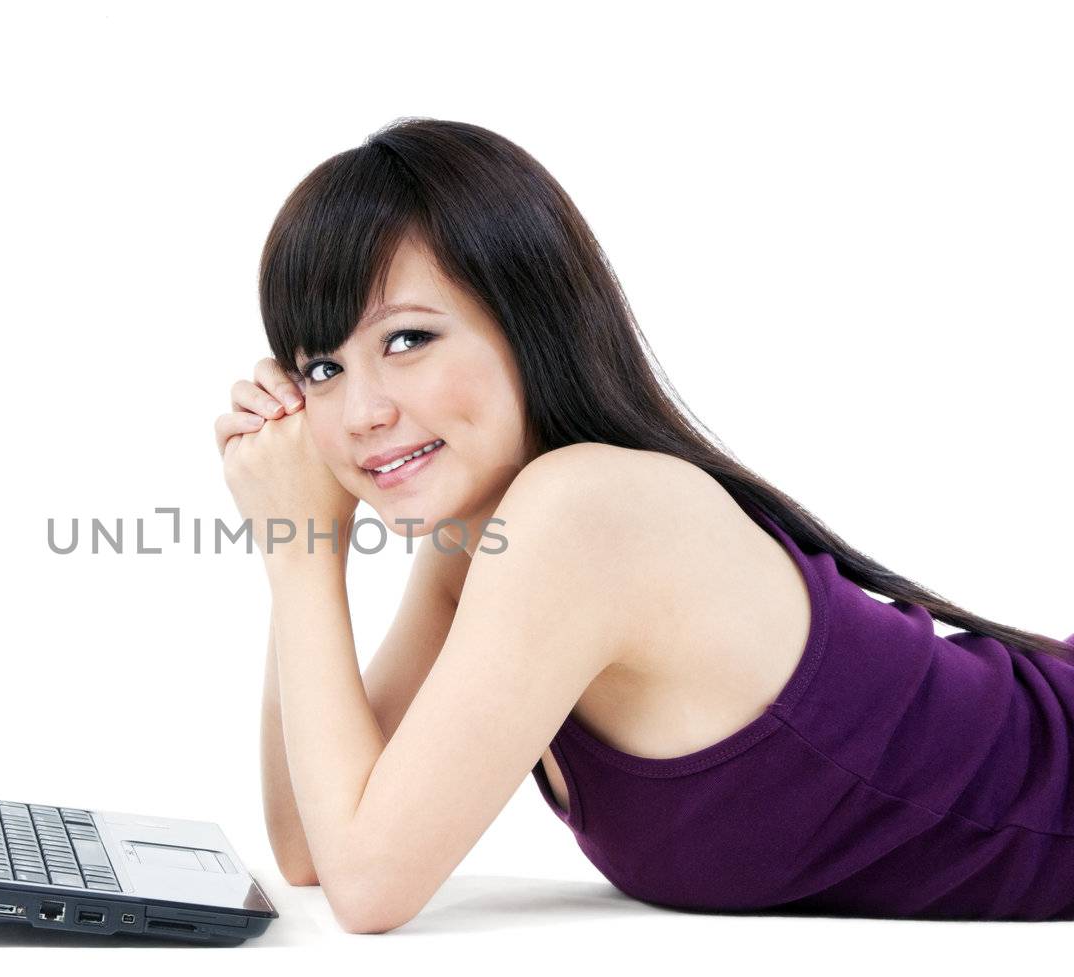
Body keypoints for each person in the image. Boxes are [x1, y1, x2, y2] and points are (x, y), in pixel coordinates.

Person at [213, 117, 1074, 931]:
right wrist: (305, 546)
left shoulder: (583, 513)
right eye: (321, 366)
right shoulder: (478, 542)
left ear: (529, 322)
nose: (359, 410)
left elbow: (368, 882)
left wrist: (299, 554)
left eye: (406, 340)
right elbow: (312, 848)